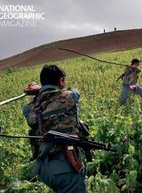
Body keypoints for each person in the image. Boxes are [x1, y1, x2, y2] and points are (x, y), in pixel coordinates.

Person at [23, 65, 87, 193]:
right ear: (61, 81)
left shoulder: (29, 108)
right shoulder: (69, 96)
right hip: (66, 166)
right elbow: (76, 92)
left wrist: (40, 90)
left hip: (44, 168)